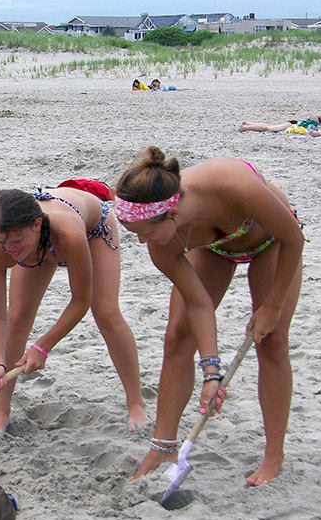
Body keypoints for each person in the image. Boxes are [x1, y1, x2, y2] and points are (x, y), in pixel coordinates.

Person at [115, 147, 304, 487]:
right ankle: (163, 447)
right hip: (216, 248)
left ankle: (274, 454)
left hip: (275, 241)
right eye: (135, 234)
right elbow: (199, 305)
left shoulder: (232, 184)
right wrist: (211, 373)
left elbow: (293, 237)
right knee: (176, 337)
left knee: (272, 341)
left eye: (145, 232)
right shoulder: (161, 243)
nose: (143, 243)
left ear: (171, 213)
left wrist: (272, 306)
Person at [0, 181, 146, 431]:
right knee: (17, 319)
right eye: (3, 243)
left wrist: (42, 346)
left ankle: (136, 403)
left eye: (15, 241)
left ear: (36, 224)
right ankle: (1, 412)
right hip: (38, 245)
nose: (9, 250)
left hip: (93, 229)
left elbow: (81, 300)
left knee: (106, 312)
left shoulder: (68, 234)